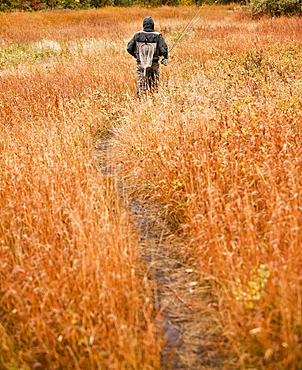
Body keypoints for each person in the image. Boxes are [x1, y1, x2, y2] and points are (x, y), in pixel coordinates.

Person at [127, 16, 168, 96]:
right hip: (154, 63)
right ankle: (153, 99)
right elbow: (163, 50)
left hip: (141, 64)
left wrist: (136, 56)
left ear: (143, 25)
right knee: (154, 84)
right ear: (153, 24)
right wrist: (165, 56)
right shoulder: (158, 36)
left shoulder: (137, 35)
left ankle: (142, 100)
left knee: (141, 84)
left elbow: (129, 48)